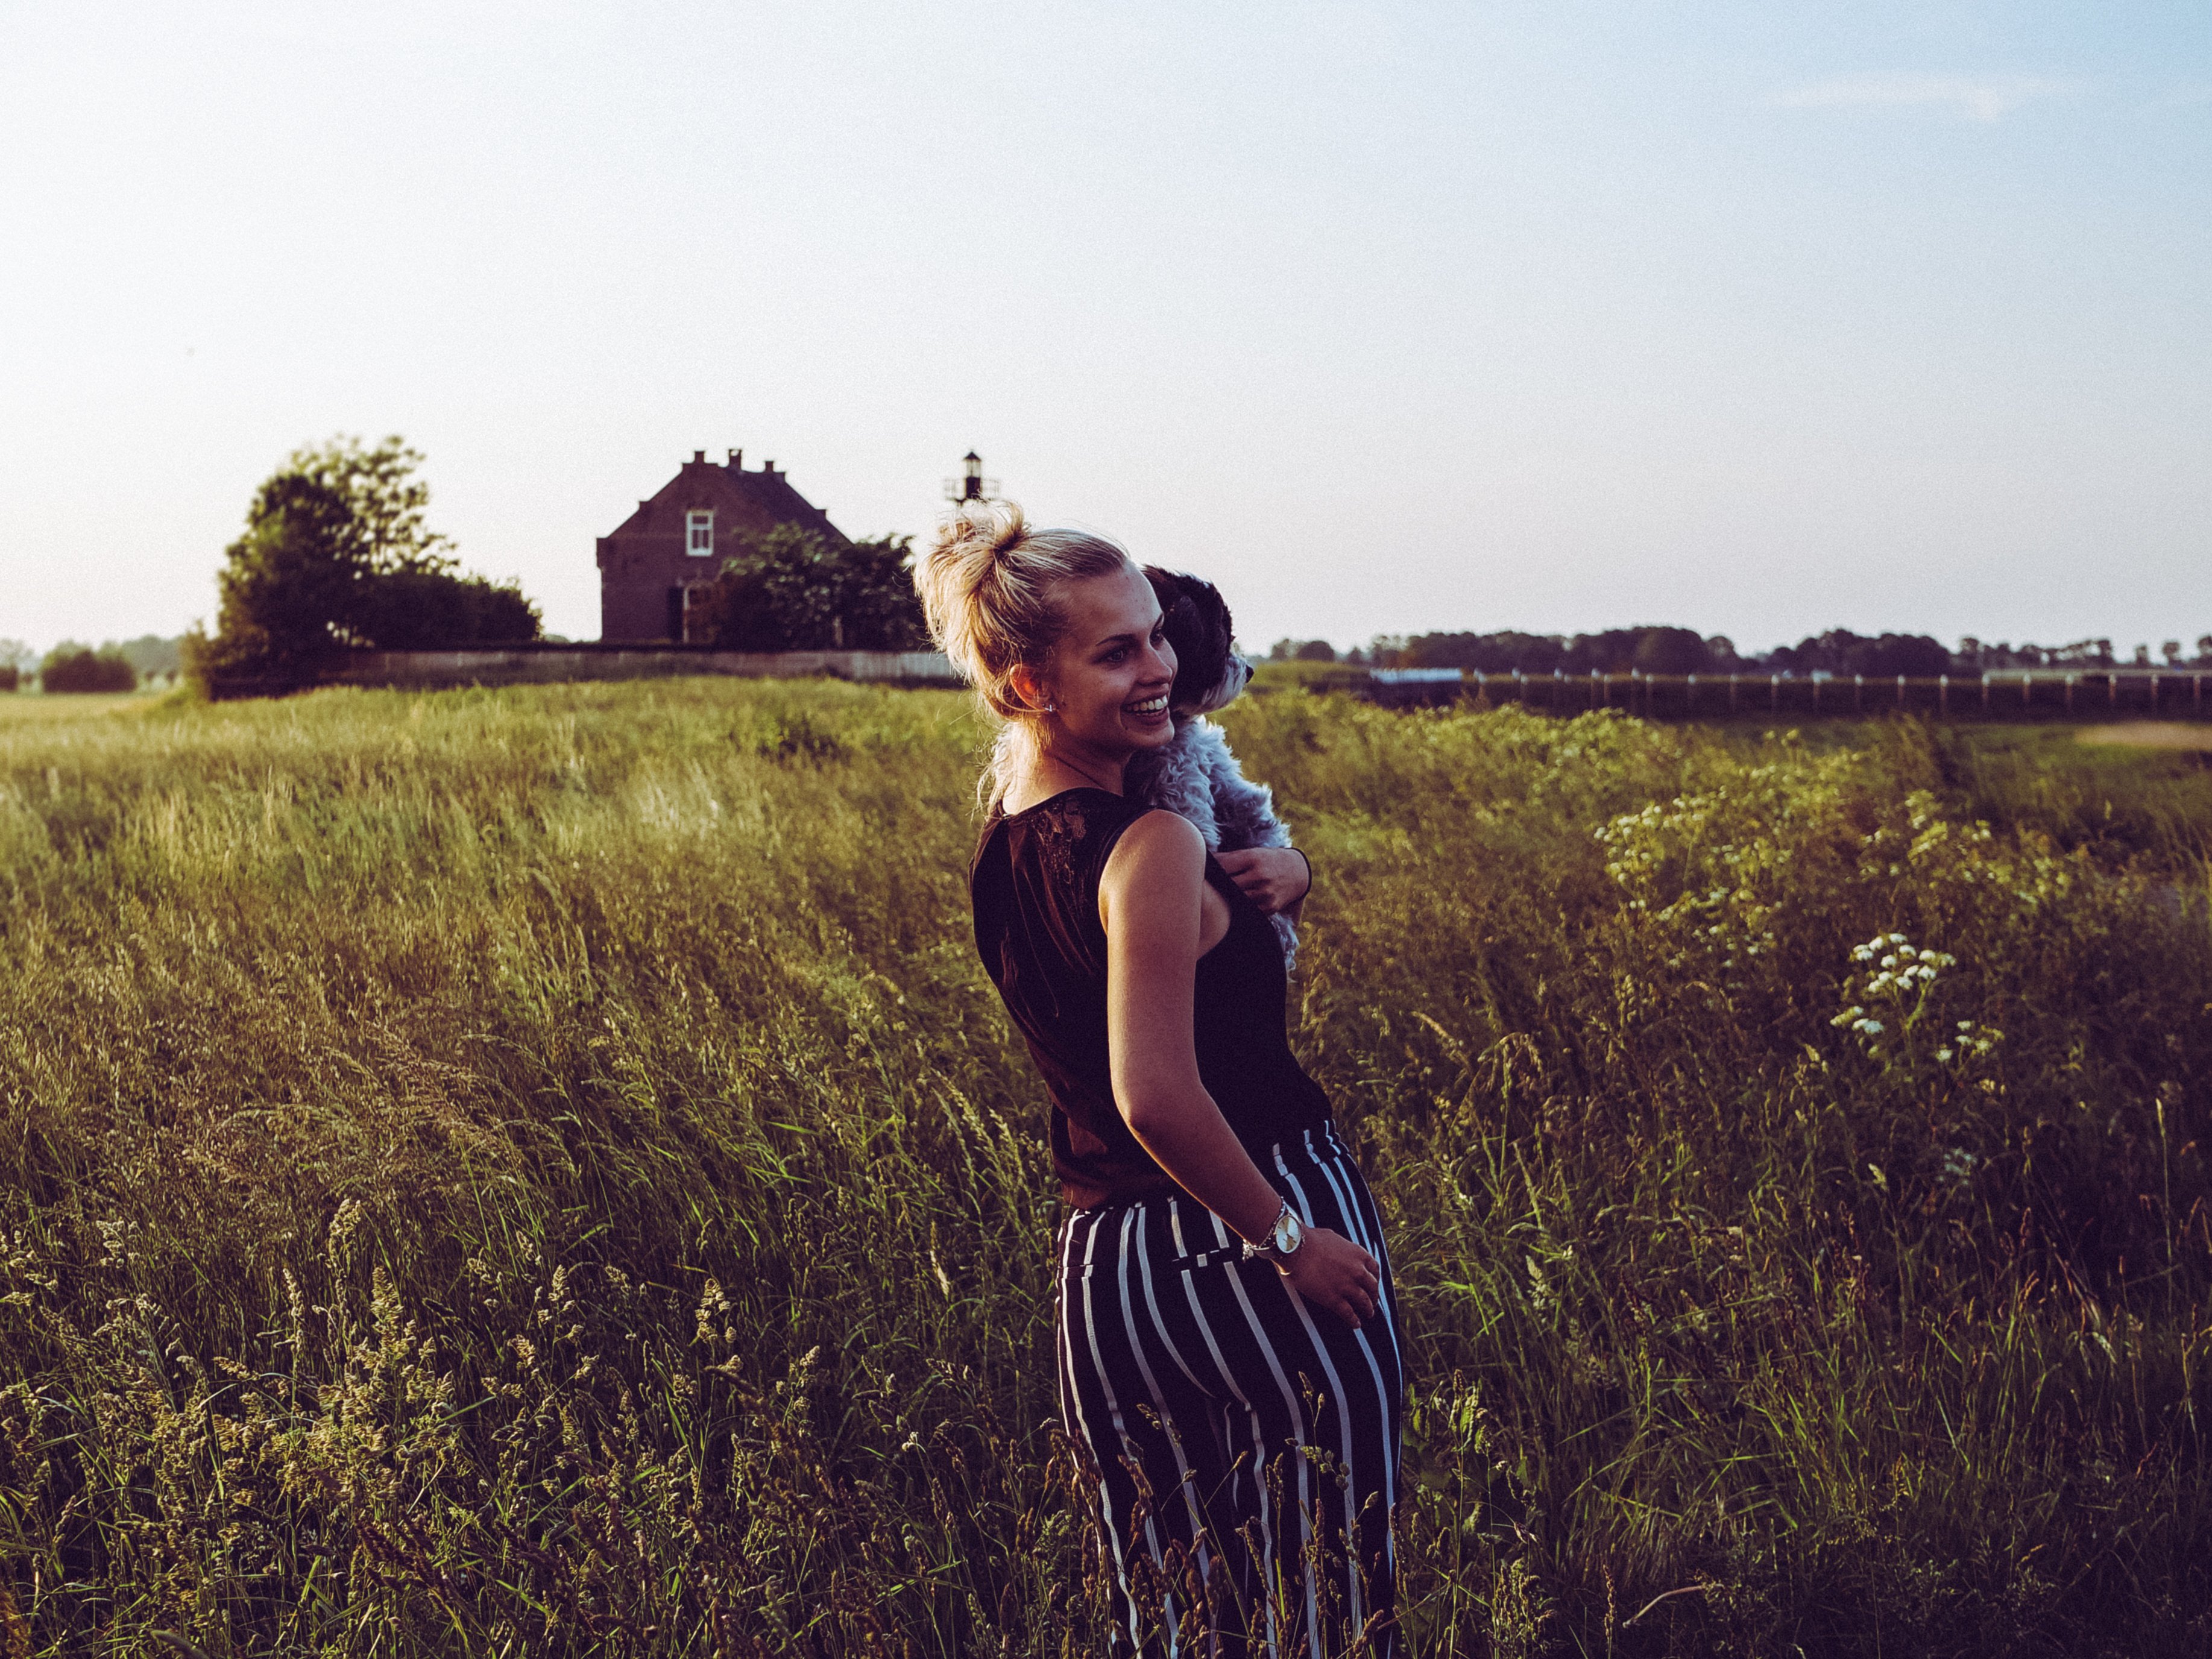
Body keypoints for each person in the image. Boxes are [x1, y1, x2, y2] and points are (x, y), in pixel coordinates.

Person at [916, 502, 1405, 1657]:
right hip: (1247, 1230)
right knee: (1324, 1606)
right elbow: (1156, 1092)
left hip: (1111, 1278)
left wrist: (1275, 871)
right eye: (1117, 650)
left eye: (1157, 637)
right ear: (1024, 682)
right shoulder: (1154, 843)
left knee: (1177, 1616)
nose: (1164, 672)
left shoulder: (1005, 844)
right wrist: (1290, 1238)